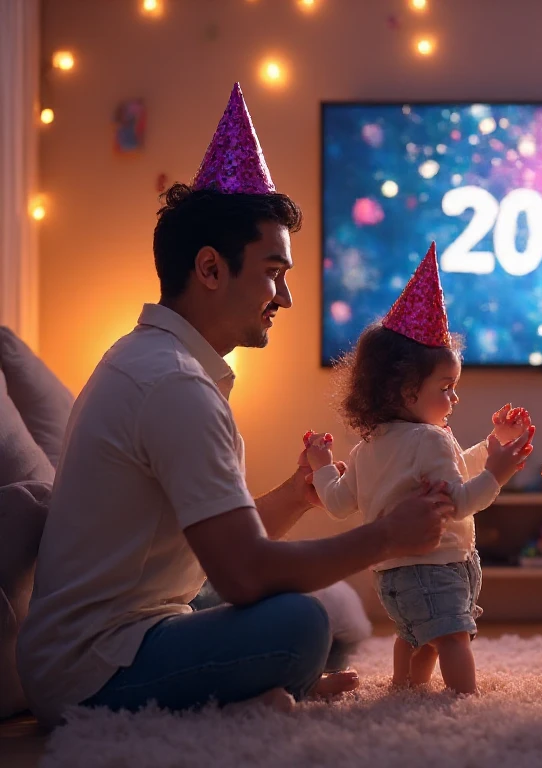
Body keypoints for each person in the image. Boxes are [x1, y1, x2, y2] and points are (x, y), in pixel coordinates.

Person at [16, 83, 456, 728]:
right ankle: (251, 701)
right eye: (274, 272)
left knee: (310, 614)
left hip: (118, 636)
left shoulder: (153, 361)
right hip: (93, 670)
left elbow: (208, 550)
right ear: (211, 269)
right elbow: (244, 573)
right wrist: (386, 534)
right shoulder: (174, 386)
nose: (285, 297)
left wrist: (295, 497)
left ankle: (252, 698)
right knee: (301, 622)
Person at [304, 243, 535, 695]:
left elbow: (335, 503)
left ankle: (403, 690)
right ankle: (463, 698)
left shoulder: (368, 448)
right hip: (438, 565)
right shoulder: (428, 439)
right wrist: (498, 473)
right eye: (446, 388)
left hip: (391, 575)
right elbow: (460, 500)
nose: (454, 399)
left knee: (413, 635)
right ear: (409, 391)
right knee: (449, 637)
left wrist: (319, 466)